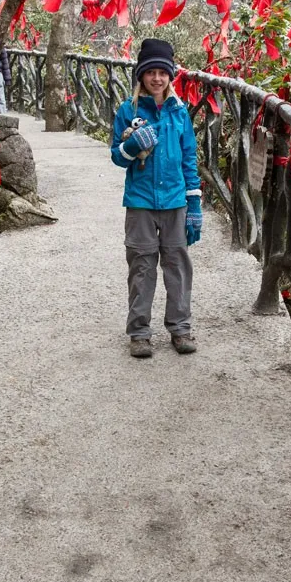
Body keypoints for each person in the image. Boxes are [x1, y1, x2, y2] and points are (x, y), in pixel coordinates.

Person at [111, 38, 203, 359]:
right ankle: (139, 332)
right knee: (141, 265)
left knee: (177, 266)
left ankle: (180, 328)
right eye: (149, 72)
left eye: (162, 72)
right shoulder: (128, 111)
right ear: (141, 76)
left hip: (176, 201)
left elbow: (189, 160)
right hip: (139, 203)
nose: (156, 78)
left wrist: (194, 206)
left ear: (170, 76)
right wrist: (132, 146)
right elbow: (117, 157)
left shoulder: (179, 114)